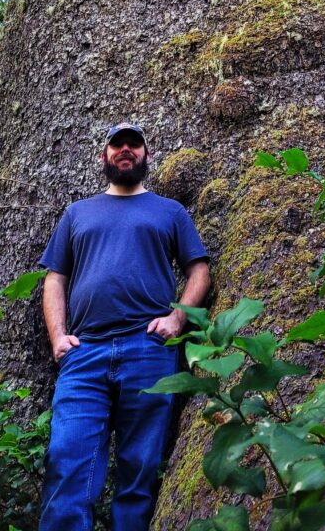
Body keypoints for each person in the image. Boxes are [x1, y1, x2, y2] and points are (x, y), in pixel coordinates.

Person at [39, 122, 211, 531]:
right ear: (104, 156)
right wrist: (58, 337)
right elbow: (55, 279)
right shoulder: (77, 212)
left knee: (139, 468)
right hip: (85, 354)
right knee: (67, 461)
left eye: (135, 144)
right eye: (117, 145)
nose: (126, 150)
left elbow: (199, 270)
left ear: (146, 156)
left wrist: (177, 318)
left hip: (148, 350)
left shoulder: (170, 211)